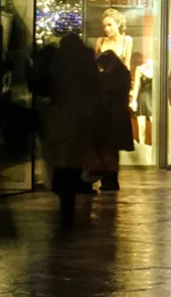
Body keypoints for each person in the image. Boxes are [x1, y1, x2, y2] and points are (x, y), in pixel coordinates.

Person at [43, 34, 103, 226]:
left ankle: (65, 196)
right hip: (81, 116)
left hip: (62, 114)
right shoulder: (86, 60)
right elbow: (95, 87)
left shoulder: (58, 61)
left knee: (62, 156)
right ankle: (74, 187)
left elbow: (48, 85)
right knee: (74, 156)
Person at [94, 50, 136, 191]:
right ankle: (111, 179)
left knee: (108, 149)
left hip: (109, 116)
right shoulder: (123, 74)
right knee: (112, 150)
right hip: (117, 115)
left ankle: (109, 180)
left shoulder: (110, 77)